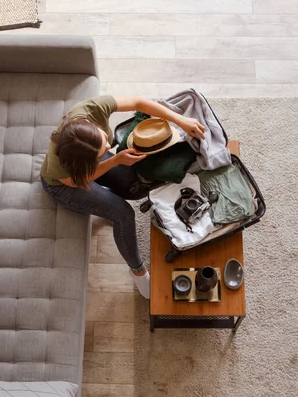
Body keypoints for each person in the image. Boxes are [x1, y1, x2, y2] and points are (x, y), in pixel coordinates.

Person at [40, 96, 206, 299]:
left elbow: (138, 103)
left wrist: (180, 120)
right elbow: (77, 182)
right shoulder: (61, 163)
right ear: (85, 161)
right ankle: (137, 271)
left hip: (85, 169)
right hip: (65, 184)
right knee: (123, 213)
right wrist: (116, 159)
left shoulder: (90, 109)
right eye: (104, 151)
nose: (109, 147)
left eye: (104, 140)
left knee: (133, 182)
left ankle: (105, 201)